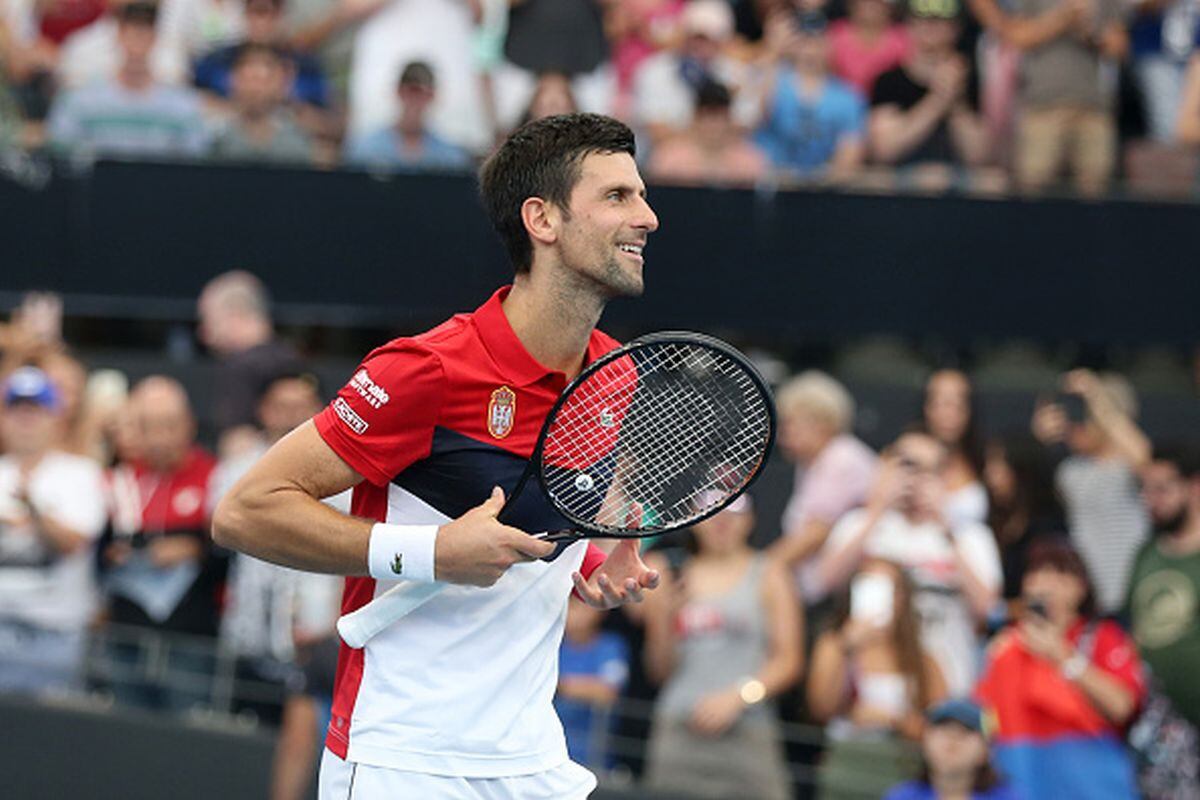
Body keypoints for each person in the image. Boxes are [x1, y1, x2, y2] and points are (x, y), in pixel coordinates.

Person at [212, 112, 662, 799]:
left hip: (534, 760)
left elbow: (527, 515)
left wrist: (591, 555)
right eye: (617, 197)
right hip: (405, 756)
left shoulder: (613, 375)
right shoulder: (425, 369)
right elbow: (244, 513)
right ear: (541, 220)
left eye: (639, 194)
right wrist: (434, 553)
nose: (648, 217)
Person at [817, 430, 1002, 694]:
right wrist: (877, 509)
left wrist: (945, 526)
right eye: (907, 465)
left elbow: (988, 609)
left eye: (929, 469)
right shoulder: (859, 523)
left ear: (945, 475)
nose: (916, 479)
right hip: (869, 686)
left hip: (946, 684)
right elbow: (825, 581)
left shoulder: (970, 536)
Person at [642, 495, 802, 800]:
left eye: (734, 514)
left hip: (748, 727)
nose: (722, 523)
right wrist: (665, 618)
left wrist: (738, 697)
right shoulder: (671, 573)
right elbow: (659, 671)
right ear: (693, 520)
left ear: (751, 521)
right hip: (680, 724)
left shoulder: (769, 572)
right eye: (712, 513)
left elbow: (789, 661)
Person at [211, 370, 343, 725]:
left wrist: (332, 619)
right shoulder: (239, 464)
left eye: (301, 406)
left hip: (317, 633)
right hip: (249, 627)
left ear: (321, 409)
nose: (290, 415)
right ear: (263, 410)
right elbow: (217, 525)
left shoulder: (346, 470)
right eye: (281, 406)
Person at [976, 538, 1144, 799]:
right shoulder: (1006, 646)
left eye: (1060, 575)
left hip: (1090, 780)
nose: (1046, 584)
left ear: (1082, 588)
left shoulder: (1102, 637)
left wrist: (1064, 658)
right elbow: (984, 717)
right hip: (1022, 775)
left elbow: (1122, 706)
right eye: (1036, 574)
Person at [101, 376, 220, 711]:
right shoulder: (119, 480)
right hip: (126, 630)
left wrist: (197, 549)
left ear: (189, 425)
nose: (158, 438)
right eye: (147, 427)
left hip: (190, 635)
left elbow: (233, 556)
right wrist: (111, 555)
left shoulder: (215, 476)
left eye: (168, 425)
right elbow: (95, 552)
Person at [0, 366, 107, 694]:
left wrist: (32, 509)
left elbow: (73, 542)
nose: (26, 419)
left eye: (36, 410)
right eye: (17, 410)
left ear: (56, 417)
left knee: (55, 736)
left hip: (57, 633)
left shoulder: (81, 474)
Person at [808, 558, 948, 799]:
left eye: (886, 587)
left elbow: (941, 729)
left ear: (902, 597)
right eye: (868, 585)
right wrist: (847, 647)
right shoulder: (834, 644)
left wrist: (892, 720)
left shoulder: (922, 659)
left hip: (903, 766)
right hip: (847, 762)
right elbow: (820, 708)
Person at [1032, 369, 1151, 614]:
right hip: (1087, 600)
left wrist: (1097, 397)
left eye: (1083, 415)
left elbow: (1144, 456)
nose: (1075, 425)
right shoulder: (1070, 470)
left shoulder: (1126, 467)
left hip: (1131, 598)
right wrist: (1040, 435)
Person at [45, 2, 208, 159]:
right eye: (132, 31)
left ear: (156, 38)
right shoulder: (81, 101)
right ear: (119, 36)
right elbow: (61, 151)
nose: (138, 41)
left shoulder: (182, 106)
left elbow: (195, 160)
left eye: (146, 32)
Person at [769, 370, 877, 605]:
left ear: (820, 423)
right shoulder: (814, 461)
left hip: (840, 597)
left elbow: (815, 534)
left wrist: (758, 572)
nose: (783, 434)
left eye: (790, 424)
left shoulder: (841, 460)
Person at [1009, 0, 1128, 195]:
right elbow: (1018, 37)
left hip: (1093, 108)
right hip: (1042, 106)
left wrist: (1091, 29)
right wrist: (1061, 18)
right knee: (1031, 192)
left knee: (1097, 195)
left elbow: (1119, 47)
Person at [868, 0, 990, 187]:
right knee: (876, 180)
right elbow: (885, 151)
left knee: (992, 182)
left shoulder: (971, 80)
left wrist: (957, 101)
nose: (931, 27)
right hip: (900, 179)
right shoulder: (889, 81)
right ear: (908, 26)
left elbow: (979, 157)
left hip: (959, 180)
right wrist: (939, 98)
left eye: (941, 21)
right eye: (923, 20)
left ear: (956, 28)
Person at [1127, 445, 1200, 728]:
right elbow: (1135, 630)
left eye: (1161, 489)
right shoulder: (1146, 555)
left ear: (1194, 487)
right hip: (1158, 725)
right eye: (1145, 490)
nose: (1150, 500)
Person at [753, 10, 868, 180]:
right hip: (771, 183)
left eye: (817, 41)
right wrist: (773, 52)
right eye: (804, 41)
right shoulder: (769, 80)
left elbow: (850, 153)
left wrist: (826, 184)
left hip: (823, 191)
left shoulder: (849, 97)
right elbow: (752, 119)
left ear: (829, 44)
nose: (811, 49)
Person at [196, 269, 302, 451]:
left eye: (209, 321)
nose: (203, 335)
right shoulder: (294, 357)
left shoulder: (239, 368)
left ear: (235, 316)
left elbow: (236, 442)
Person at [632, 0, 754, 142]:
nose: (699, 46)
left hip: (721, 157)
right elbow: (658, 133)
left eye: (708, 39)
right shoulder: (655, 71)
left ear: (722, 42)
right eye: (694, 38)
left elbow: (744, 127)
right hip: (669, 156)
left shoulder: (737, 73)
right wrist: (711, 126)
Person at [342, 60, 471, 171]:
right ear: (398, 92)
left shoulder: (451, 156)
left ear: (432, 97)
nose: (415, 100)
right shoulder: (364, 149)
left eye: (424, 94)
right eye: (412, 91)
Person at [884, 698, 1018, 800]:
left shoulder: (1008, 797)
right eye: (943, 730)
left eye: (965, 732)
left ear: (986, 750)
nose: (952, 739)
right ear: (924, 742)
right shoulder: (902, 796)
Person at [983, 433, 1064, 600]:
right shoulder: (992, 523)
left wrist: (1001, 611)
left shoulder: (1047, 531)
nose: (988, 475)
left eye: (997, 466)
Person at [645, 78, 769, 187]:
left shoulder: (749, 162)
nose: (713, 124)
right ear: (695, 117)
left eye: (719, 116)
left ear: (730, 119)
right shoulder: (668, 159)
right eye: (707, 115)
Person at [208, 43, 314, 164]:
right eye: (248, 79)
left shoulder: (299, 137)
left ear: (280, 82)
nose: (255, 89)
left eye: (263, 80)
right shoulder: (215, 137)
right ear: (233, 81)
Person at [555, 598, 630, 769]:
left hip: (594, 754)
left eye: (583, 607)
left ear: (601, 610)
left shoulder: (610, 646)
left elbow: (607, 692)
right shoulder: (552, 646)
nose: (574, 613)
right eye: (571, 605)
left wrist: (556, 685)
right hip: (550, 748)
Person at [920, 370, 986, 527]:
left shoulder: (985, 461)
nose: (950, 413)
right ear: (926, 407)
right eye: (942, 402)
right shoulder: (902, 457)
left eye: (959, 404)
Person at [828, 0, 910, 95]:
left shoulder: (902, 38)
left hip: (890, 101)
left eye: (877, 3)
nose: (870, 5)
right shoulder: (835, 33)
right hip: (842, 103)